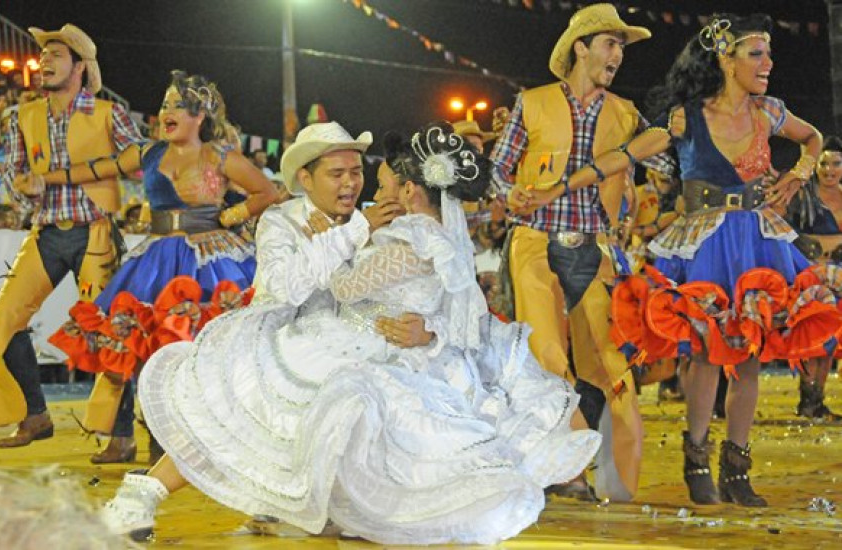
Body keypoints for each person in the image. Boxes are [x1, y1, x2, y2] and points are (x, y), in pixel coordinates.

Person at [99, 122, 600, 545]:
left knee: (368, 440)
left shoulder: (402, 220)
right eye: (336, 173)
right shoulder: (282, 220)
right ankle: (143, 493)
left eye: (357, 172)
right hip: (303, 338)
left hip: (375, 350)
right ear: (305, 178)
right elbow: (281, 289)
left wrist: (431, 333)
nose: (350, 183)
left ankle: (312, 510)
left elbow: (455, 299)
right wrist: (351, 232)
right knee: (240, 408)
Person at [537, 14, 823, 507]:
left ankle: (737, 466)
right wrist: (559, 187)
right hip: (705, 244)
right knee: (709, 355)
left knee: (749, 357)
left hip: (755, 241)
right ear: (725, 59)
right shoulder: (685, 116)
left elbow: (814, 138)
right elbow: (624, 156)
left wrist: (798, 174)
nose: (768, 64)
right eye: (756, 54)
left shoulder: (770, 111)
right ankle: (696, 460)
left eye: (769, 54)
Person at [46, 70, 278, 464]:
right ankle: (141, 437)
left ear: (199, 116)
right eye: (164, 105)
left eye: (177, 107)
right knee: (138, 344)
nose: (166, 112)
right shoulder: (148, 153)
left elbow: (267, 191)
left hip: (207, 259)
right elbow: (100, 168)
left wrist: (233, 213)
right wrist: (49, 177)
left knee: (200, 347)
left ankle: (203, 438)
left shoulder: (219, 156)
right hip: (155, 257)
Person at [492, 2, 673, 501]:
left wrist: (666, 138)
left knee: (612, 366)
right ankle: (562, 474)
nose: (618, 55)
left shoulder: (627, 114)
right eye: (611, 43)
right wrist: (508, 193)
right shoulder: (532, 103)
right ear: (581, 47)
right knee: (546, 356)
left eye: (621, 46)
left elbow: (670, 155)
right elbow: (497, 168)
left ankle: (620, 487)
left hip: (595, 248)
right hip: (534, 243)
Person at [0, 24, 143, 448]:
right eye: (44, 55)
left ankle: (121, 435)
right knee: (1, 317)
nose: (44, 62)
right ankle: (34, 415)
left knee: (111, 328)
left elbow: (137, 158)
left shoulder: (108, 113)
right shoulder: (24, 115)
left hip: (97, 231)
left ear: (80, 67)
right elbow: (17, 173)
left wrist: (64, 176)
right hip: (47, 232)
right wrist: (22, 184)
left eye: (56, 55)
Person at [786, 135, 842, 421]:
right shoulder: (802, 195)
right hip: (813, 277)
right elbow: (791, 236)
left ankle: (817, 401)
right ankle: (807, 401)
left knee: (831, 342)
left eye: (836, 163)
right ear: (815, 164)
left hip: (840, 279)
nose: (830, 170)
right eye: (824, 163)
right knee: (813, 340)